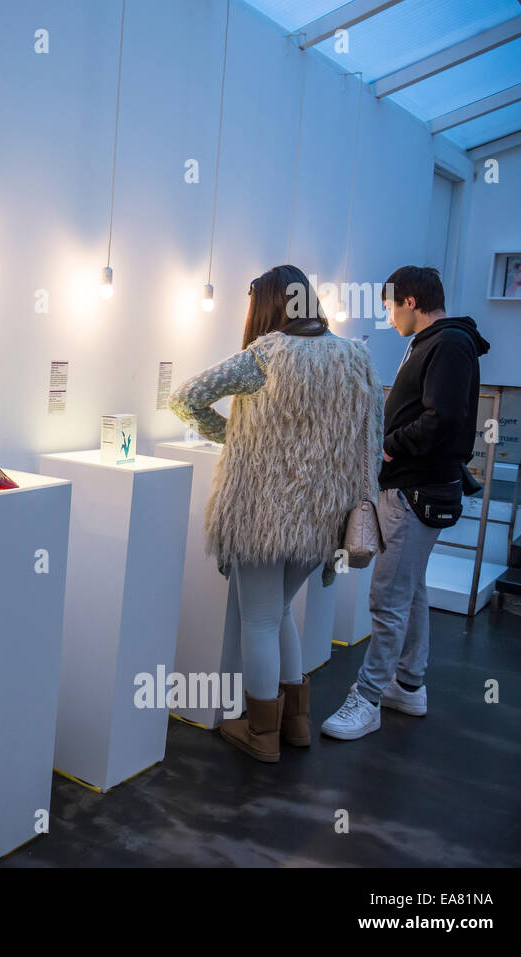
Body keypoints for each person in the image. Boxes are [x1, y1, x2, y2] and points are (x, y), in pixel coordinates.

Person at [171, 265, 383, 763]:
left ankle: (262, 734)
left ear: (266, 306)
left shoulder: (265, 356)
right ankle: (297, 722)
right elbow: (369, 445)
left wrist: (232, 436)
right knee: (281, 611)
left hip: (262, 516)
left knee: (260, 619)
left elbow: (185, 398)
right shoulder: (357, 358)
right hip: (323, 521)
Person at [322, 266, 490, 740]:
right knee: (410, 591)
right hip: (414, 488)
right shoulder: (435, 344)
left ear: (410, 301)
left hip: (416, 491)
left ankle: (368, 698)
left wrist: (388, 446)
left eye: (390, 306)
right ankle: (409, 686)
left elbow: (442, 420)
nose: (389, 317)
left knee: (387, 599)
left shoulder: (449, 345)